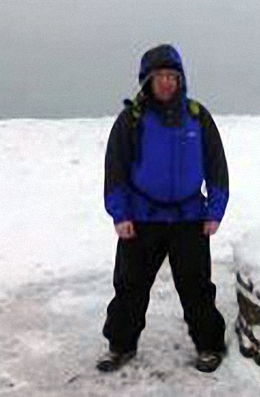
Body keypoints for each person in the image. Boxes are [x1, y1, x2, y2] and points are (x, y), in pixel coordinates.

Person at [97, 43, 229, 373]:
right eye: (160, 76)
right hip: (142, 218)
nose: (168, 82)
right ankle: (120, 346)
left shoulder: (198, 117)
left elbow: (216, 167)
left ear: (181, 79)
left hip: (189, 218)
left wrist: (214, 210)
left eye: (173, 76)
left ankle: (209, 346)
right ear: (147, 80)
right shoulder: (132, 120)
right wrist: (120, 214)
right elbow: (115, 170)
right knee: (130, 286)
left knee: (196, 286)